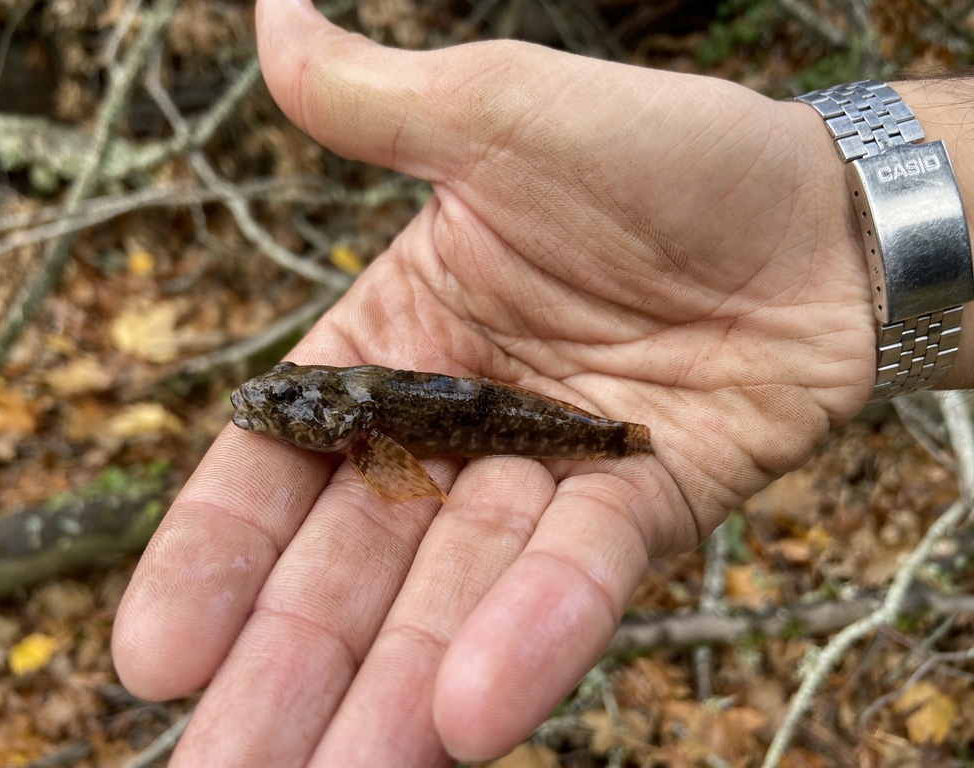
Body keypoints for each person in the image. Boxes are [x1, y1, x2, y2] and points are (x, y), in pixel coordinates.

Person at [111, 1, 974, 765]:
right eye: (278, 399)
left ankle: (612, 442)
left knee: (565, 440)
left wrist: (820, 214)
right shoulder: (357, 411)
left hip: (547, 420)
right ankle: (611, 439)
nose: (266, 405)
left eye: (283, 398)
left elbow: (403, 472)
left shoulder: (366, 422)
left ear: (344, 423)